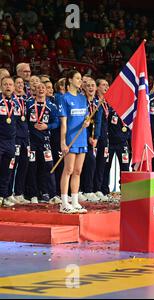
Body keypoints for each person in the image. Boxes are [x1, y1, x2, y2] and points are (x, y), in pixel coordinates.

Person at [59, 70, 90, 214]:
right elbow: (64, 123)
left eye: (81, 78)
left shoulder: (83, 98)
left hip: (82, 137)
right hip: (71, 138)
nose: (80, 81)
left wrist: (87, 122)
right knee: (68, 170)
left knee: (78, 171)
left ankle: (75, 201)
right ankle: (64, 203)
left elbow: (86, 117)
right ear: (70, 80)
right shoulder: (64, 98)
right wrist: (63, 143)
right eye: (77, 78)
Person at [25, 82, 59, 203]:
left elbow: (56, 123)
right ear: (34, 90)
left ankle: (50, 194)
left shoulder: (51, 106)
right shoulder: (28, 104)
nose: (40, 90)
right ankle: (33, 194)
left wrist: (47, 126)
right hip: (31, 141)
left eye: (43, 88)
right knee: (32, 167)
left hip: (45, 141)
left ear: (46, 90)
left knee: (49, 166)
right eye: (38, 88)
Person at [6, 76, 31, 204]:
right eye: (18, 83)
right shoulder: (10, 101)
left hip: (25, 138)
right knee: (12, 166)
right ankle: (9, 193)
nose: (21, 85)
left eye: (22, 83)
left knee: (24, 164)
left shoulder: (26, 100)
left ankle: (19, 193)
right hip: (14, 138)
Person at [80, 78, 103, 202]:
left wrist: (96, 138)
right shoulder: (81, 101)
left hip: (92, 140)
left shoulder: (97, 103)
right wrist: (88, 135)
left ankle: (88, 190)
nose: (90, 87)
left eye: (93, 85)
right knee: (80, 165)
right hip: (81, 137)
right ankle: (79, 190)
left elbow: (98, 122)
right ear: (84, 88)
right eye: (88, 85)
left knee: (91, 162)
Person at [0, 76, 20, 207]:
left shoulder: (16, 104)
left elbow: (18, 123)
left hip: (11, 143)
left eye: (10, 84)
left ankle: (3, 195)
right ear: (1, 86)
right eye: (5, 84)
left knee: (7, 170)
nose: (8, 86)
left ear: (13, 87)